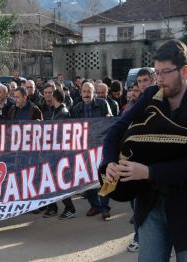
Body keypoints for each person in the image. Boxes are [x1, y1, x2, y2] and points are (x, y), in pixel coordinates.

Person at [101, 39, 187, 261]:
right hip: (150, 204)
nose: (160, 80)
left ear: (184, 70)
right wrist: (109, 161)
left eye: (165, 72)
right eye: (157, 73)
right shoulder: (151, 95)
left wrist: (149, 172)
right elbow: (116, 130)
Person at [72, 82, 112, 220]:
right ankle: (94, 205)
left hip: (101, 147)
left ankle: (105, 208)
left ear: (94, 92)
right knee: (88, 178)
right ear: (80, 92)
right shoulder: (76, 109)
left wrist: (107, 117)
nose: (86, 94)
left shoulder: (102, 104)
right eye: (84, 91)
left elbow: (110, 120)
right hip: (85, 149)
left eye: (89, 91)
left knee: (104, 177)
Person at [43, 89, 77, 219]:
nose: (48, 97)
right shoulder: (57, 112)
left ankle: (70, 208)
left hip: (60, 154)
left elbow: (59, 134)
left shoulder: (62, 114)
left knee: (60, 182)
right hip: (54, 153)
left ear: (55, 98)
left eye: (51, 95)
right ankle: (53, 207)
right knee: (51, 180)